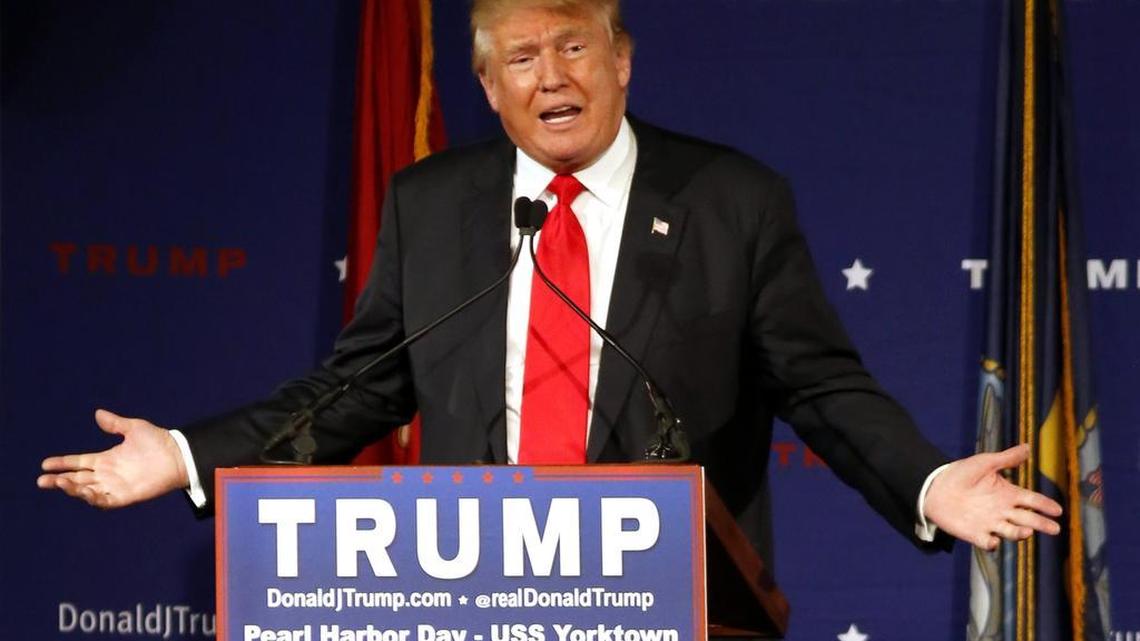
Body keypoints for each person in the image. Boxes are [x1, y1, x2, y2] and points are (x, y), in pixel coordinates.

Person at [38, 0, 1061, 565]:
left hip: (675, 606)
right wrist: (183, 455)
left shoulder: (728, 200)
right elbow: (355, 387)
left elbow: (825, 389)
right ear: (485, 84)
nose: (553, 77)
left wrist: (927, 480)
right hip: (473, 601)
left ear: (621, 59)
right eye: (521, 56)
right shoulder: (430, 204)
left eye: (575, 45)